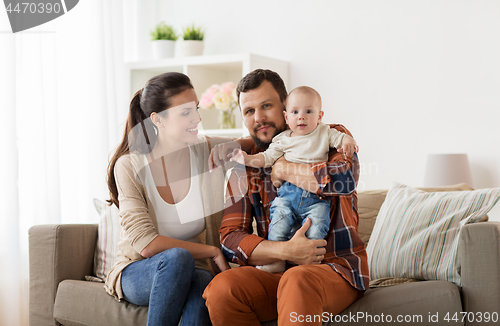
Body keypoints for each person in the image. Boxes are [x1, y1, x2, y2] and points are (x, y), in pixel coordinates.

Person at [203, 69, 369, 326]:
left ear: (285, 107)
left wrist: (283, 169)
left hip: (334, 271)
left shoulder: (327, 136)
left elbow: (345, 179)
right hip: (276, 273)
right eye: (249, 111)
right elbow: (230, 239)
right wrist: (286, 251)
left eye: (266, 106)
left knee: (298, 279)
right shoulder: (246, 164)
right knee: (222, 288)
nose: (259, 118)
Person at [104, 72, 242, 326]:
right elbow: (146, 244)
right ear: (157, 119)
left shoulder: (204, 151)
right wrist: (211, 251)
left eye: (196, 109)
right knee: (179, 258)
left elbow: (254, 146)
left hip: (193, 270)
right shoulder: (130, 165)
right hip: (139, 270)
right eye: (186, 112)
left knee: (202, 280)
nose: (198, 119)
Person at [228, 85, 359, 272]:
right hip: (287, 197)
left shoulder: (325, 132)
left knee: (317, 227)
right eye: (295, 112)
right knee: (278, 222)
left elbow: (344, 178)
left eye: (308, 111)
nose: (301, 116)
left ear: (320, 116)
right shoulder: (281, 140)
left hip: (317, 200)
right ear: (287, 116)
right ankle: (276, 261)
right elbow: (265, 158)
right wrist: (246, 158)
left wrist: (349, 142)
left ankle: (310, 263)